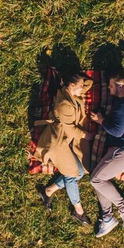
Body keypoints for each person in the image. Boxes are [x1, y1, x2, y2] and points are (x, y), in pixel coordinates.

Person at [34, 72, 93, 225]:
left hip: (63, 140)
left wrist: (80, 84)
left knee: (78, 173)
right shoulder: (65, 104)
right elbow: (69, 129)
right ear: (71, 85)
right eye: (80, 85)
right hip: (57, 142)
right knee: (73, 174)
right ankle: (78, 210)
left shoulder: (71, 94)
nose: (83, 87)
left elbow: (89, 83)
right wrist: (85, 135)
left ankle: (48, 191)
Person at [89, 69, 124, 237]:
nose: (109, 90)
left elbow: (117, 131)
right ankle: (107, 217)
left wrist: (100, 120)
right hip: (123, 150)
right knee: (99, 177)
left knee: (96, 179)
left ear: (120, 87)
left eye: (111, 86)